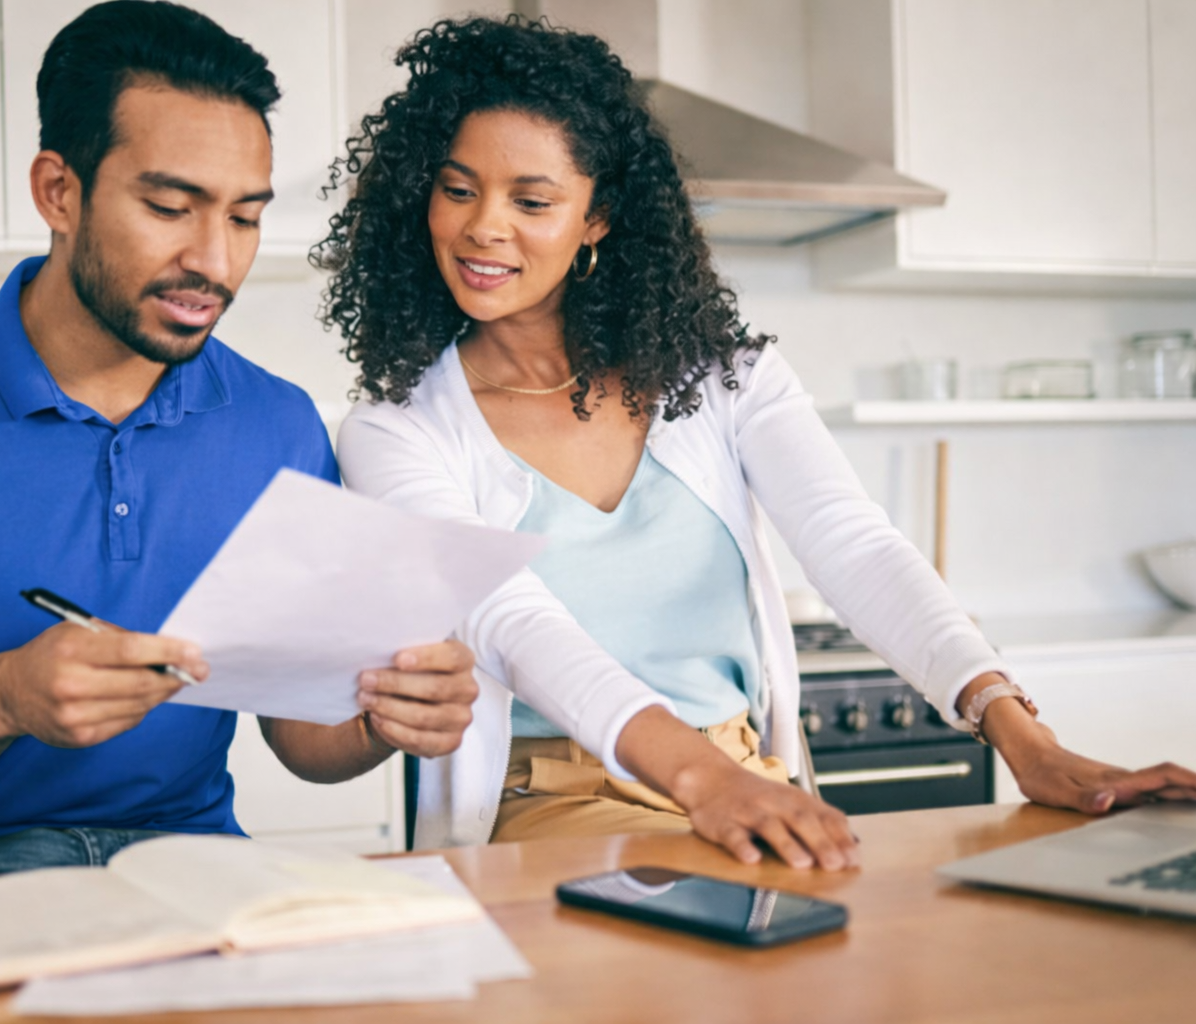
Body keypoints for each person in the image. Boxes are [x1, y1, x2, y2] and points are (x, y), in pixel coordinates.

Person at [319, 16, 1196, 870]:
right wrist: (698, 779)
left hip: (739, 775)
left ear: (597, 218)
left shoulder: (726, 380)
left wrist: (1024, 738)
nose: (482, 226)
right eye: (458, 189)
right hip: (552, 798)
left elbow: (857, 549)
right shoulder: (398, 431)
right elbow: (511, 622)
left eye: (532, 200)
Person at [0, 0, 476, 896]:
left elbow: (304, 737)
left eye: (244, 218)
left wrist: (385, 715)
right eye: (170, 207)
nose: (214, 261)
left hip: (186, 864)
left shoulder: (279, 425)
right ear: (59, 192)